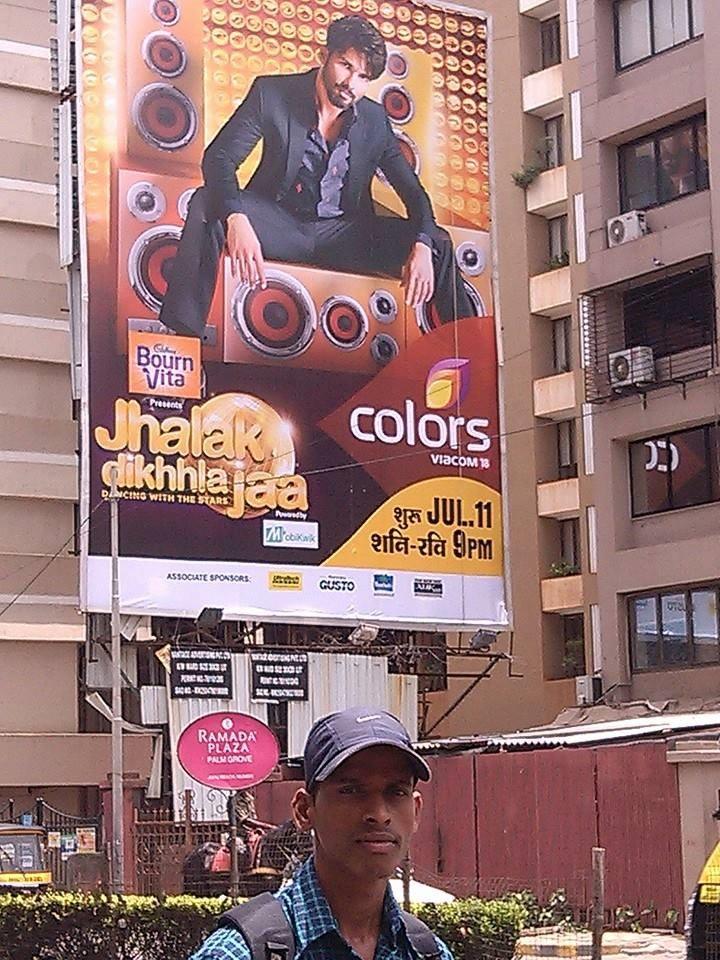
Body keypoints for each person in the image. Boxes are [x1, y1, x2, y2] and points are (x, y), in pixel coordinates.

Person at [159, 15, 474, 341]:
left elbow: (413, 193)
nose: (351, 83)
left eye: (363, 77)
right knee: (206, 203)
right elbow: (220, 158)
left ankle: (467, 350)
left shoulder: (374, 120)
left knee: (436, 241)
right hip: (281, 225)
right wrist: (236, 218)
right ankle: (182, 338)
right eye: (345, 66)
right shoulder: (272, 93)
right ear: (324, 56)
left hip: (345, 236)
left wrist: (421, 244)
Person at [189, 706, 453, 960]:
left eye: (396, 792)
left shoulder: (429, 953)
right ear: (304, 810)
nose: (380, 814)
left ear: (416, 811)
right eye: (351, 790)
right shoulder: (235, 953)